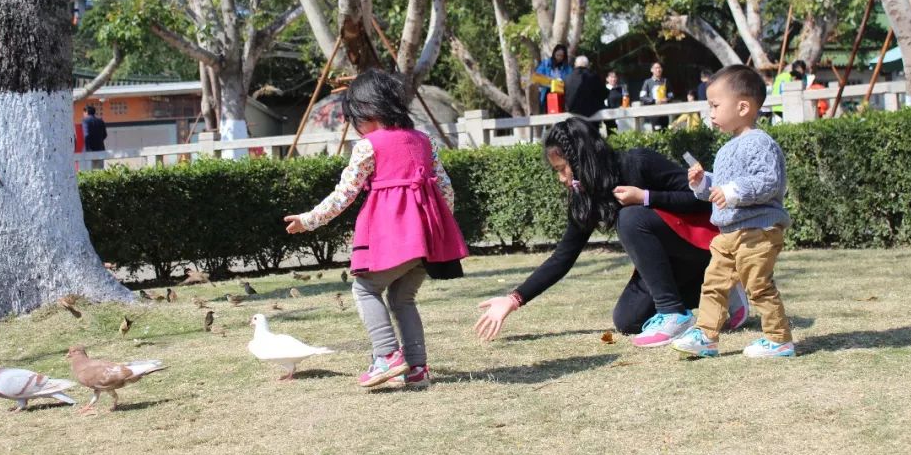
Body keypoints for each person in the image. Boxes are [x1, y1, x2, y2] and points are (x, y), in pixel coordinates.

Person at [473, 117, 750, 347]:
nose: (561, 178)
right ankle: (720, 293)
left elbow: (701, 197)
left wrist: (646, 197)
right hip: (670, 263)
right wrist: (514, 299)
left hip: (702, 246)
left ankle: (675, 313)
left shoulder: (638, 162)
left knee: (630, 217)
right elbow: (563, 257)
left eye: (562, 169)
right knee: (627, 320)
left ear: (581, 159)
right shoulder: (587, 195)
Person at [284, 70, 467, 389]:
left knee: (365, 288)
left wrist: (309, 219)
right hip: (428, 239)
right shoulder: (425, 140)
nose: (355, 127)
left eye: (354, 118)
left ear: (368, 110)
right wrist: (438, 228)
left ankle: (386, 356)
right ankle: (416, 368)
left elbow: (345, 193)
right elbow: (446, 188)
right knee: (402, 298)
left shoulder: (368, 147)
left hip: (395, 238)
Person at [672, 65, 795, 358]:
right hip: (727, 233)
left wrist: (731, 191)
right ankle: (706, 335)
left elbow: (768, 181)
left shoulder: (761, 142)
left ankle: (779, 339)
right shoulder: (727, 148)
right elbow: (723, 188)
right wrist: (704, 183)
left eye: (715, 105)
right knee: (713, 283)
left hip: (758, 231)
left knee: (758, 285)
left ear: (742, 107)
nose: (710, 113)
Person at [535, 44, 572, 113]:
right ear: (554, 53)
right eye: (557, 55)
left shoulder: (567, 68)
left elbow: (571, 81)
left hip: (561, 95)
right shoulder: (545, 64)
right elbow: (537, 78)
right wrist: (552, 81)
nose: (559, 58)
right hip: (547, 94)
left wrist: (562, 82)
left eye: (561, 56)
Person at [639, 61, 670, 130]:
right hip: (653, 111)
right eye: (656, 68)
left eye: (660, 68)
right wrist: (654, 101)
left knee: (666, 131)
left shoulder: (665, 81)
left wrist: (667, 99)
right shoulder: (647, 82)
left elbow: (671, 95)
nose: (658, 70)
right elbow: (642, 97)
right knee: (657, 131)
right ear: (651, 70)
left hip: (665, 111)